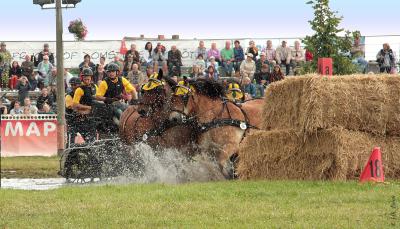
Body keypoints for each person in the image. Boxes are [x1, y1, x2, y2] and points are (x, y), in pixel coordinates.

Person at [72, 69, 98, 143]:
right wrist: (88, 107)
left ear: (91, 78)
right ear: (82, 78)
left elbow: (99, 97)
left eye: (88, 78)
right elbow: (74, 104)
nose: (87, 80)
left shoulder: (95, 86)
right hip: (83, 117)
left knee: (93, 137)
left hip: (94, 115)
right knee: (88, 138)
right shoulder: (79, 89)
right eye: (85, 78)